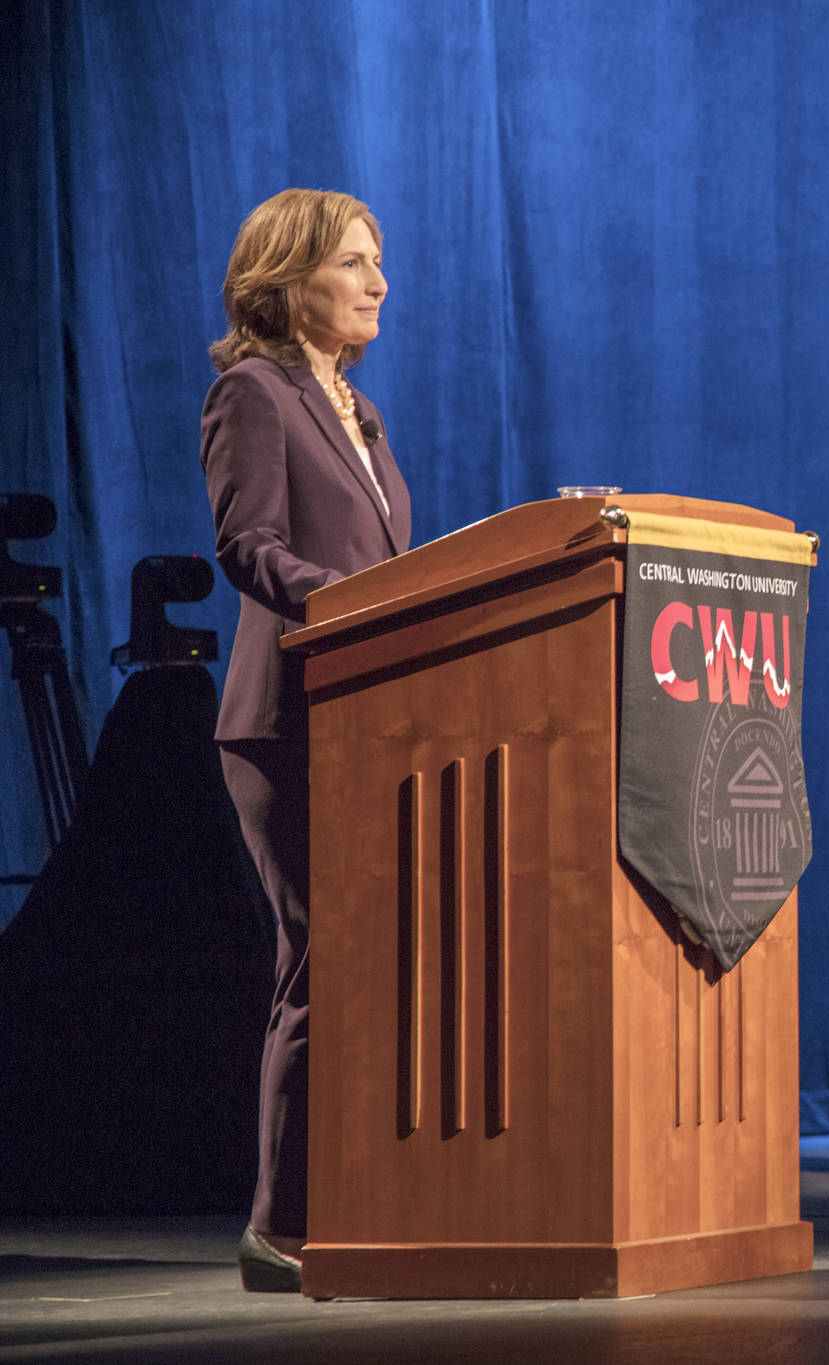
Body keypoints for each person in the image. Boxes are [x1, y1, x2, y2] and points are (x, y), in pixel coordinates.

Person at [202, 189, 411, 1292]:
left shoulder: (359, 410)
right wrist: (356, 606)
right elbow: (249, 545)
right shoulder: (254, 390)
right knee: (325, 955)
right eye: (353, 263)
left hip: (368, 712)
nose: (378, 282)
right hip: (287, 720)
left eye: (378, 262)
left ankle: (364, 1199)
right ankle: (280, 1224)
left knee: (372, 960)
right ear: (288, 281)